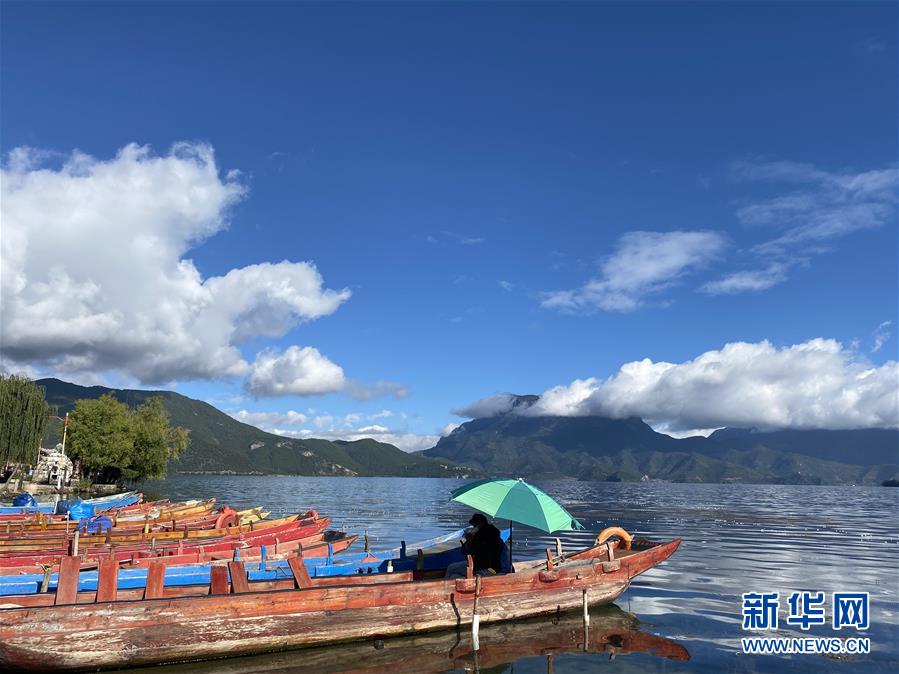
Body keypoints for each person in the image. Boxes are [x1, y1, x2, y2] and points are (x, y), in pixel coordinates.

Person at [445, 513, 504, 578]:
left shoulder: (486, 535)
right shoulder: (479, 534)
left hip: (486, 567)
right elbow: (465, 552)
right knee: (453, 574)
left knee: (451, 568)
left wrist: (470, 541)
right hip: (477, 563)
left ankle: (446, 585)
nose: (473, 527)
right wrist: (468, 541)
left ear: (480, 524)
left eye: (474, 525)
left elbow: (475, 551)